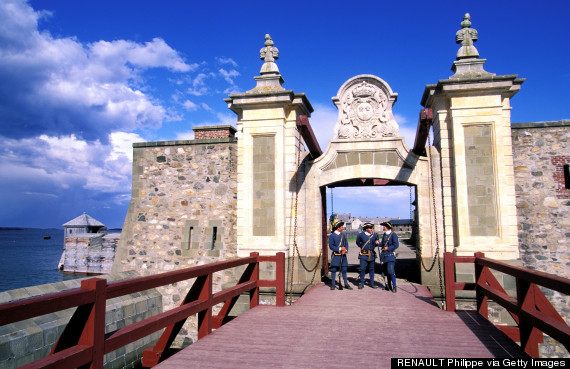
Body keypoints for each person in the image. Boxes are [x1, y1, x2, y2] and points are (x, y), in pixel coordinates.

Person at [328, 220, 352, 290]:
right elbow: (331, 246)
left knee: (344, 269)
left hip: (343, 255)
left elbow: (346, 244)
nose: (343, 228)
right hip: (336, 255)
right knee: (333, 270)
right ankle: (333, 284)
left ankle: (346, 284)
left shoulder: (343, 235)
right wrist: (340, 248)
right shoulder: (332, 236)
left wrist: (345, 250)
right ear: (338, 228)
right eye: (341, 227)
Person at [356, 222, 379, 289]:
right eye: (370, 228)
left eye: (372, 228)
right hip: (363, 254)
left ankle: (372, 283)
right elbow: (358, 242)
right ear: (366, 229)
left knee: (372, 269)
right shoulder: (360, 235)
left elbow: (376, 242)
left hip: (371, 254)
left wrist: (376, 243)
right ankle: (361, 283)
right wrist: (363, 247)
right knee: (362, 269)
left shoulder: (374, 235)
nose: (371, 229)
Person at [380, 221, 399, 293]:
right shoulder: (385, 235)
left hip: (390, 255)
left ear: (387, 227)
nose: (383, 227)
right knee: (387, 272)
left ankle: (394, 286)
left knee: (391, 271)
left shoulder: (393, 235)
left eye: (384, 226)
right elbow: (383, 243)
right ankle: (389, 285)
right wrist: (378, 243)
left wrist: (388, 248)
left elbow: (396, 245)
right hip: (384, 256)